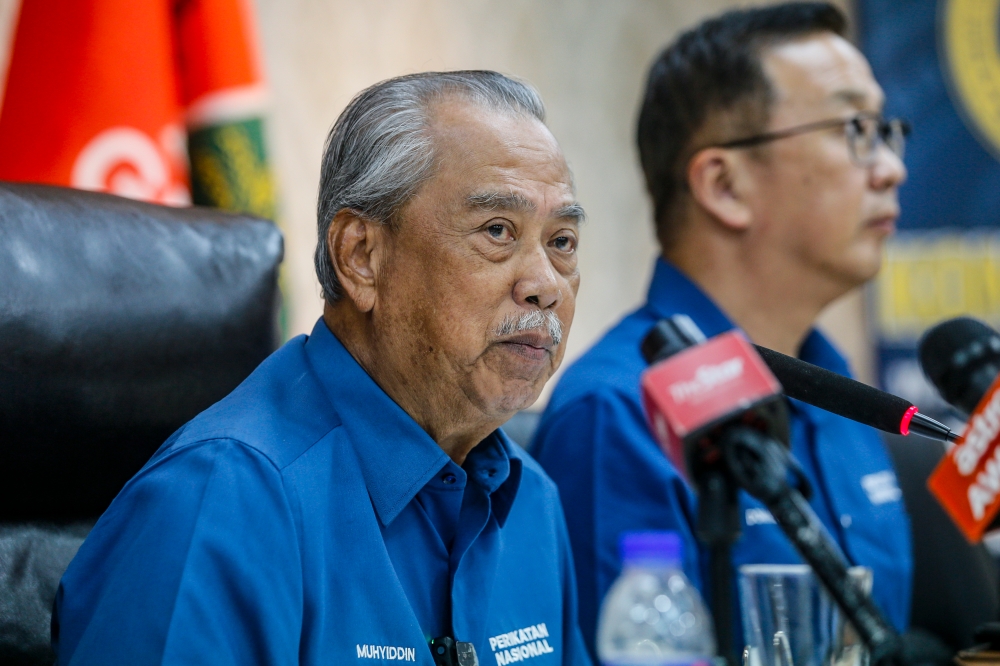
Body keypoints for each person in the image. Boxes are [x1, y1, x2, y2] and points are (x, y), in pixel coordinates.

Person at [53, 71, 589, 665]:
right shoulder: (216, 502)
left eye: (562, 241)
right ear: (361, 256)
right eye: (497, 231)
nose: (544, 284)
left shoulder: (531, 500)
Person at [532, 3, 911, 659]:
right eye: (855, 128)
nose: (890, 168)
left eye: (886, 131)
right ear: (724, 184)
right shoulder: (619, 413)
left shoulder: (842, 391)